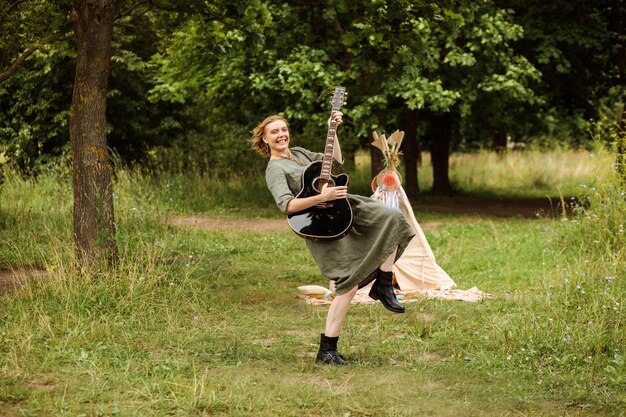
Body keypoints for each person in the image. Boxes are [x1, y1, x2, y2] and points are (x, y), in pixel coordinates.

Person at [251, 112, 415, 365]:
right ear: (264, 138)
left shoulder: (299, 153)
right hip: (320, 224)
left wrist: (333, 129)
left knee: (393, 219)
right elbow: (287, 205)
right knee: (346, 286)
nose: (281, 134)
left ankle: (383, 282)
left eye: (283, 129)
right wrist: (321, 198)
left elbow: (334, 159)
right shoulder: (274, 169)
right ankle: (327, 350)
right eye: (274, 132)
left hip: (345, 205)